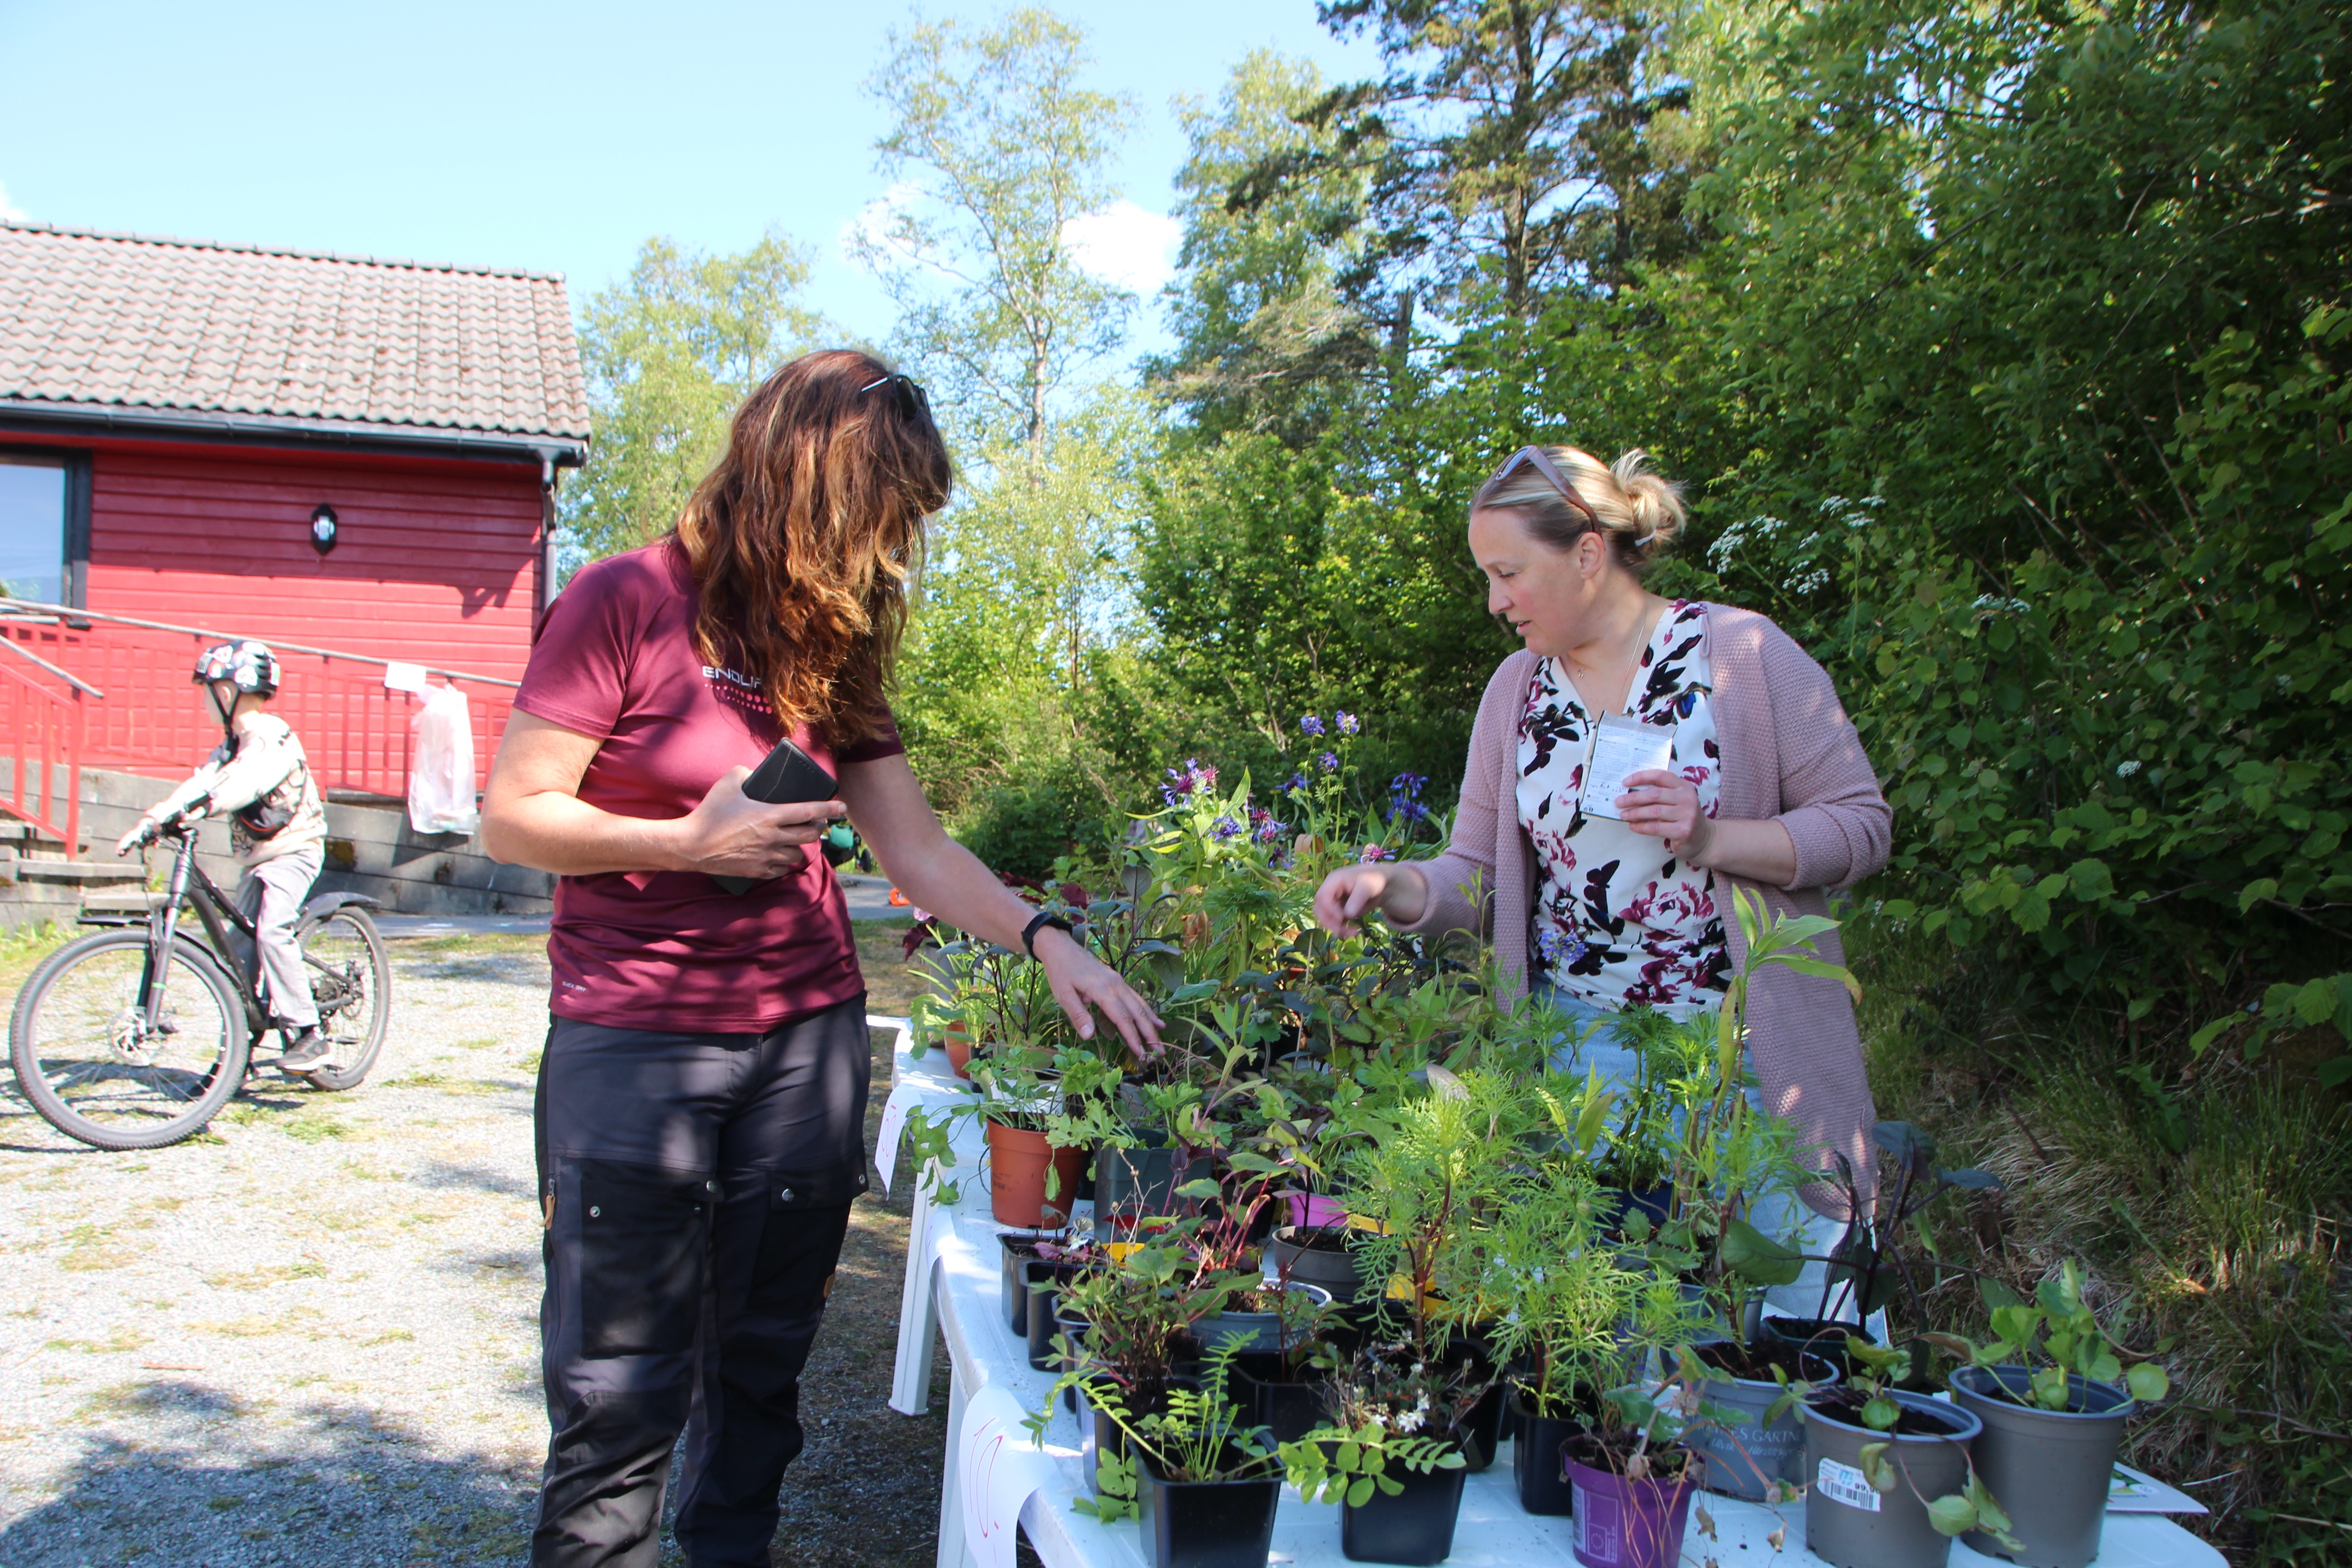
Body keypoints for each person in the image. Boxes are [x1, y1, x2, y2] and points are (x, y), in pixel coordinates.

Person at [481, 350, 1162, 1568]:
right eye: (879, 515)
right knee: (618, 1384)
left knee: (760, 1362)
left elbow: (919, 850)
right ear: (803, 481)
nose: (890, 552)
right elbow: (516, 814)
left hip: (806, 1039)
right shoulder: (624, 599)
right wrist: (687, 840)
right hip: (635, 1040)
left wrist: (1052, 939)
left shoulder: (830, 642)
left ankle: (730, 1548)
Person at [1312, 444, 1892, 1292]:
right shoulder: (1516, 692)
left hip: (1746, 1058)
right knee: (1604, 1336)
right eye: (1485, 575)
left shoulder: (1737, 656)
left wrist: (1711, 839)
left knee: (1788, 1318)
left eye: (1507, 572)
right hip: (1575, 1059)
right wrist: (1391, 886)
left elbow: (1860, 826)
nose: (1493, 601)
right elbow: (1477, 872)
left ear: (1586, 553)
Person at [117, 639, 332, 1072]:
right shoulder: (229, 748)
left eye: (208, 689)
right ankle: (238, 1051)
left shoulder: (273, 735)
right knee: (238, 949)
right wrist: (156, 818)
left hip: (295, 852)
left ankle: (311, 1033)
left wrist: (205, 806)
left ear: (231, 691)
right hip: (256, 862)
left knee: (271, 930)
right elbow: (205, 780)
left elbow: (247, 782)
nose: (203, 700)